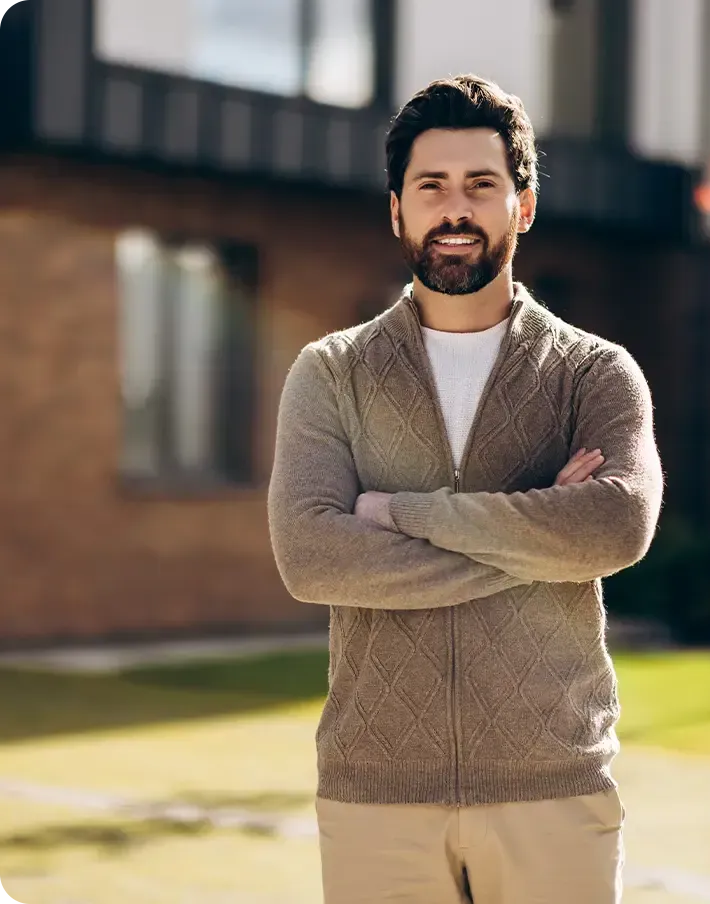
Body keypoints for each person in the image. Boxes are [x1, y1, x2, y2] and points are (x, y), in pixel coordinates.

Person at [267, 74, 664, 904]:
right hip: (376, 792)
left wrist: (397, 514)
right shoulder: (331, 373)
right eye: (431, 187)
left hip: (553, 788)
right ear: (397, 211)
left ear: (522, 205)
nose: (456, 209)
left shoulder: (594, 372)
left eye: (481, 185)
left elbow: (617, 527)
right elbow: (311, 557)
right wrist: (539, 538)